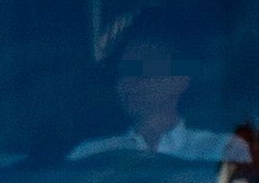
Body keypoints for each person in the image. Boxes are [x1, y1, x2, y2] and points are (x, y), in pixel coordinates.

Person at [68, 37, 251, 163]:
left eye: (141, 71)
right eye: (123, 74)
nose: (127, 83)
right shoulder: (89, 155)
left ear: (180, 81)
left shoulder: (223, 151)